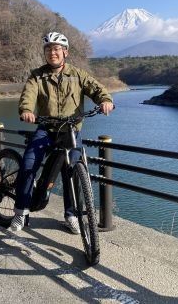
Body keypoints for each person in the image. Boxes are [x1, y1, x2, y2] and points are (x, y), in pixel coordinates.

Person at [11, 32, 114, 233]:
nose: (53, 53)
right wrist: (26, 110)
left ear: (65, 52)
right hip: (46, 130)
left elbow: (96, 88)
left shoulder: (78, 75)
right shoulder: (37, 76)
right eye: (48, 49)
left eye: (57, 49)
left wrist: (105, 100)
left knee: (73, 173)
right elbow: (28, 96)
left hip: (71, 131)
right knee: (28, 165)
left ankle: (72, 215)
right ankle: (21, 211)